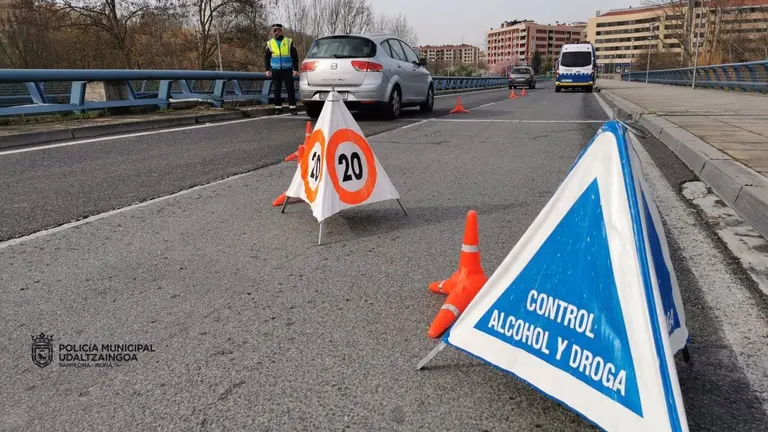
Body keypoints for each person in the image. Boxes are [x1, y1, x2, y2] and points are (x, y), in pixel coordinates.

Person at [264, 24, 300, 115]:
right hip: (275, 69)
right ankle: (278, 108)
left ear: (281, 31)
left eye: (277, 30)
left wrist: (296, 69)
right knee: (277, 89)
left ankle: (292, 108)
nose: (275, 32)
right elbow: (267, 58)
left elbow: (295, 57)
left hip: (287, 69)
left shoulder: (288, 41)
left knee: (290, 89)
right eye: (274, 31)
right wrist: (267, 70)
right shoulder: (270, 43)